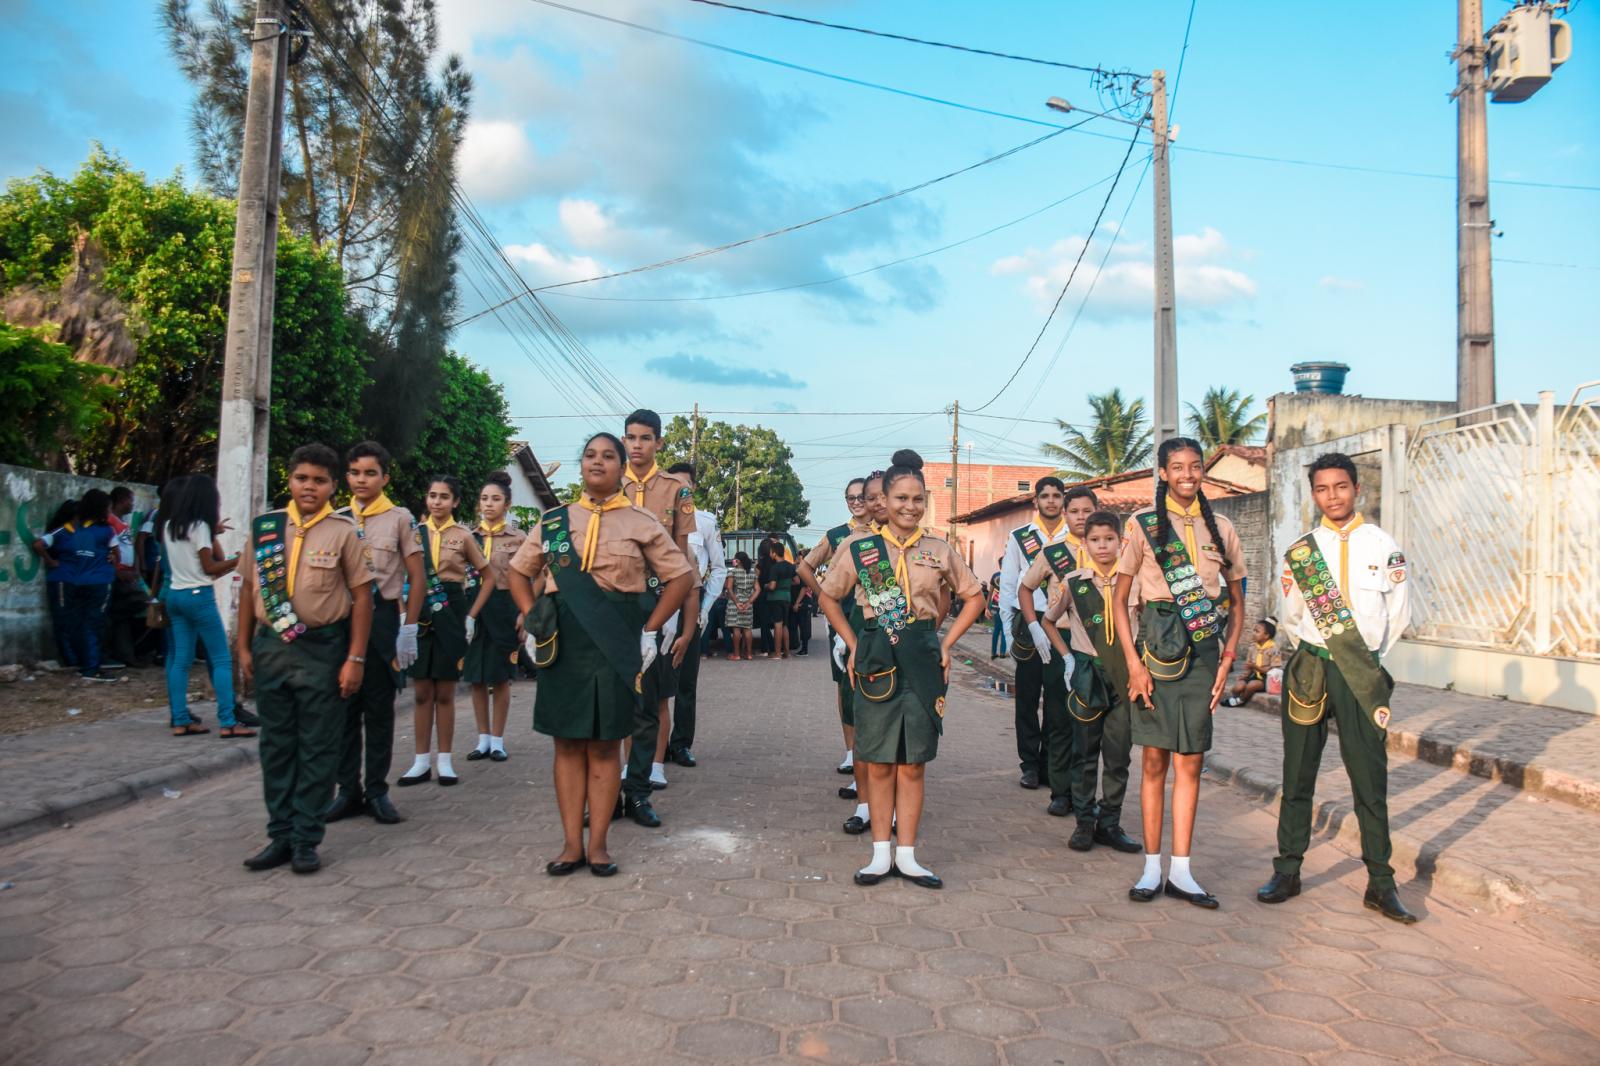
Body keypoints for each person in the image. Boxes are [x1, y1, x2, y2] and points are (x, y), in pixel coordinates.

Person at [508, 432, 693, 877]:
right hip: (565, 642)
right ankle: (571, 845)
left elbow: (681, 577)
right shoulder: (554, 521)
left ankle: (600, 846)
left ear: (619, 468)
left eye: (608, 456)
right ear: (582, 465)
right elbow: (518, 573)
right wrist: (534, 619)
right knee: (568, 743)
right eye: (590, 455)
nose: (598, 462)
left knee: (607, 745)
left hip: (617, 638)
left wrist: (651, 632)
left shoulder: (640, 520)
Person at [1259, 452, 1417, 923]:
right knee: (1298, 774)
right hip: (1311, 667)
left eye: (1341, 487)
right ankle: (1287, 871)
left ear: (1356, 490)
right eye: (1323, 489)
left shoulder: (1383, 547)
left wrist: (1367, 661)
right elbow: (1290, 617)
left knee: (1370, 778)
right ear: (1314, 494)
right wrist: (1319, 650)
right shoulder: (1302, 551)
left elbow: (1399, 616)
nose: (1333, 496)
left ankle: (1381, 883)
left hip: (1361, 672)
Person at [820, 450, 984, 890]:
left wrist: (947, 643)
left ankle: (908, 855)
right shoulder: (860, 548)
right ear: (883, 501)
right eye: (900, 498)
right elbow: (828, 597)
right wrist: (852, 644)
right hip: (875, 651)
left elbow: (974, 597)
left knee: (913, 762)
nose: (909, 507)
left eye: (917, 499)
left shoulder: (939, 548)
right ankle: (878, 855)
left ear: (925, 500)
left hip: (922, 653)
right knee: (876, 759)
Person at [1113, 437, 1247, 908]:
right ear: (1163, 473)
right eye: (1177, 467)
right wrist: (1134, 663)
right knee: (1153, 760)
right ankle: (1152, 867)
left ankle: (1183, 871)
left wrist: (1229, 657)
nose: (1187, 474)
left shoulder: (1223, 527)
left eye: (1194, 466)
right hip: (1157, 647)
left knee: (1191, 759)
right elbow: (1119, 597)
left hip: (1203, 650)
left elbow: (1236, 600)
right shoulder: (1143, 524)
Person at [237, 443, 375, 875]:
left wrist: (355, 658)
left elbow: (362, 596)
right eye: (302, 478)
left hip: (323, 649)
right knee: (276, 747)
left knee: (318, 747)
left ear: (334, 486)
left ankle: (305, 839)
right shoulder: (265, 530)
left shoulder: (343, 533)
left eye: (319, 480)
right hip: (271, 648)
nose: (309, 487)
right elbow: (246, 590)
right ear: (290, 480)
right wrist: (242, 647)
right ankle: (279, 835)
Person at [1019, 509, 1141, 854]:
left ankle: (1111, 823)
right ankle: (1084, 822)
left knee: (1118, 754)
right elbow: (1050, 620)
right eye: (1095, 540)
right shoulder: (1074, 581)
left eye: (1109, 539)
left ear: (1121, 542)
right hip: (1088, 671)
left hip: (1124, 673)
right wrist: (1068, 657)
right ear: (1084, 543)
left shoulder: (1135, 579)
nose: (1103, 547)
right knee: (1084, 751)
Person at [324, 441, 427, 826]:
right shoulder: (335, 519)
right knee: (344, 709)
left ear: (385, 476)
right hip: (342, 619)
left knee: (378, 709)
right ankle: (347, 790)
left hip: (383, 619)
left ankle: (377, 790)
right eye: (354, 473)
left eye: (370, 473)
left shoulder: (400, 519)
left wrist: (409, 628)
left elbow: (417, 578)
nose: (361, 480)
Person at [618, 409, 697, 827]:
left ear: (659, 443)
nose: (636, 445)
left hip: (657, 599)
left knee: (653, 694)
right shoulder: (612, 483)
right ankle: (618, 779)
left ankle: (647, 774)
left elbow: (682, 557)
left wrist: (675, 617)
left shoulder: (676, 491)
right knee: (617, 696)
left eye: (645, 438)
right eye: (630, 437)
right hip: (616, 598)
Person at [399, 476, 493, 788]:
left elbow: (489, 577)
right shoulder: (414, 535)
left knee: (445, 692)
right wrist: (403, 613)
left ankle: (445, 761)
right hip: (420, 608)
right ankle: (420, 761)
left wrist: (470, 615)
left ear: (455, 502)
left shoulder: (463, 536)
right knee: (422, 690)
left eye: (444, 497)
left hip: (451, 608)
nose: (437, 501)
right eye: (432, 495)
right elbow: (399, 575)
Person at [798, 477, 875, 824]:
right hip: (846, 620)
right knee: (848, 690)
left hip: (879, 623)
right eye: (853, 498)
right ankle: (854, 760)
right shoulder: (841, 537)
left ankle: (879, 790)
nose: (860, 503)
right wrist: (827, 596)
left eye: (867, 497)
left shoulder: (886, 538)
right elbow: (805, 567)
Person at [997, 477, 1076, 795]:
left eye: (1057, 496)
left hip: (1063, 624)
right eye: (1045, 496)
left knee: (1058, 699)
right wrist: (1007, 631)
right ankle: (1029, 765)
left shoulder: (1076, 536)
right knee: (1028, 699)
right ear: (1036, 502)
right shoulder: (1021, 537)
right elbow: (1008, 584)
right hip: (1028, 622)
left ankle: (1049, 765)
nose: (1052, 501)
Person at [156, 475, 248, 737]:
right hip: (199, 597)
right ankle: (229, 722)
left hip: (175, 595)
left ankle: (180, 719)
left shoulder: (169, 526)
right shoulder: (200, 527)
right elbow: (210, 568)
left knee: (180, 662)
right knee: (220, 659)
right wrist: (237, 560)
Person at [462, 471, 530, 766]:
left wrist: (527, 614)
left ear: (507, 504)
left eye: (496, 499)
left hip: (505, 606)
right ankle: (483, 739)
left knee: (501, 676)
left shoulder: (519, 538)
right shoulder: (469, 537)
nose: (489, 504)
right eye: (484, 499)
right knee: (476, 676)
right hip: (474, 605)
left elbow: (531, 576)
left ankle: (499, 741)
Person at [665, 462, 727, 771]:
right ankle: (654, 746)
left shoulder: (705, 522)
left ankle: (681, 744)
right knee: (654, 680)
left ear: (693, 489)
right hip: (658, 602)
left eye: (684, 486)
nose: (677, 491)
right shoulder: (652, 519)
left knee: (686, 682)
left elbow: (718, 568)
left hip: (691, 603)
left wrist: (704, 610)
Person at [54, 489, 118, 683]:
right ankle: (91, 667)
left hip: (76, 581)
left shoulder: (72, 529)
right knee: (93, 624)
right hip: (98, 582)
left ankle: (81, 662)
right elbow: (116, 556)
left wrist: (52, 561)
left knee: (78, 621)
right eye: (108, 508)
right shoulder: (106, 530)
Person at [31, 500, 79, 670]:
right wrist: (51, 561)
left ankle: (74, 655)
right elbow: (38, 544)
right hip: (61, 579)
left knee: (72, 618)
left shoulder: (78, 532)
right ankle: (70, 658)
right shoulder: (62, 531)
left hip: (74, 580)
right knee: (63, 618)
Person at [1222, 620, 1281, 707]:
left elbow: (1273, 670)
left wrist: (1255, 667)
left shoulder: (1273, 649)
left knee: (1251, 685)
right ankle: (1235, 698)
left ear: (1266, 636)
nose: (1253, 633)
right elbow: (1249, 666)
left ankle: (1241, 701)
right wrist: (1245, 675)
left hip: (1267, 678)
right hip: (1254, 675)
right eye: (1254, 630)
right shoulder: (1253, 647)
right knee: (1238, 687)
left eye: (1257, 631)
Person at [764, 541, 794, 659]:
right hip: (787, 597)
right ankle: (787, 652)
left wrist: (765, 586)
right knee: (785, 625)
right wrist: (785, 585)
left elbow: (772, 586)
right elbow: (796, 581)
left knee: (778, 625)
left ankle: (777, 653)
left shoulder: (775, 568)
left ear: (774, 553)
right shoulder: (790, 566)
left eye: (771, 552)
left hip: (775, 598)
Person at [726, 553, 757, 660]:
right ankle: (749, 654)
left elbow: (729, 588)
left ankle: (736, 654)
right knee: (747, 628)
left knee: (736, 629)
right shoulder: (752, 573)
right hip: (748, 604)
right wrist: (749, 602)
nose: (733, 561)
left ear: (738, 561)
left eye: (735, 559)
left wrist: (736, 602)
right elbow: (758, 589)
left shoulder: (732, 572)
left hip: (735, 604)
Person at [987, 557, 1007, 659]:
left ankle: (993, 653)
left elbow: (990, 593)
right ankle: (1003, 652)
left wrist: (987, 608)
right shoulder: (1010, 575)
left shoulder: (995, 576)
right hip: (1005, 606)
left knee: (996, 629)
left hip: (994, 605)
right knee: (1004, 629)